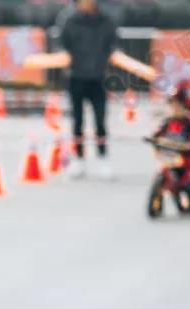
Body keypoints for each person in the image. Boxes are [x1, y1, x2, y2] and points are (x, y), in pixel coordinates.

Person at [59, 0, 119, 179]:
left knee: (100, 121)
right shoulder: (70, 21)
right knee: (77, 121)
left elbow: (114, 44)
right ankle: (78, 159)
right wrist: (65, 58)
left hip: (98, 78)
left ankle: (103, 157)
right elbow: (63, 44)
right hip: (76, 77)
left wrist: (112, 56)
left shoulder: (106, 21)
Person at [150, 83, 190, 215]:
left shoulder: (189, 124)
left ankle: (188, 203)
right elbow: (158, 133)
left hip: (183, 161)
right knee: (161, 174)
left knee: (186, 181)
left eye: (178, 107)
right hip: (168, 157)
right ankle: (157, 200)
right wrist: (154, 139)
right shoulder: (168, 122)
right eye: (173, 106)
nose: (175, 110)